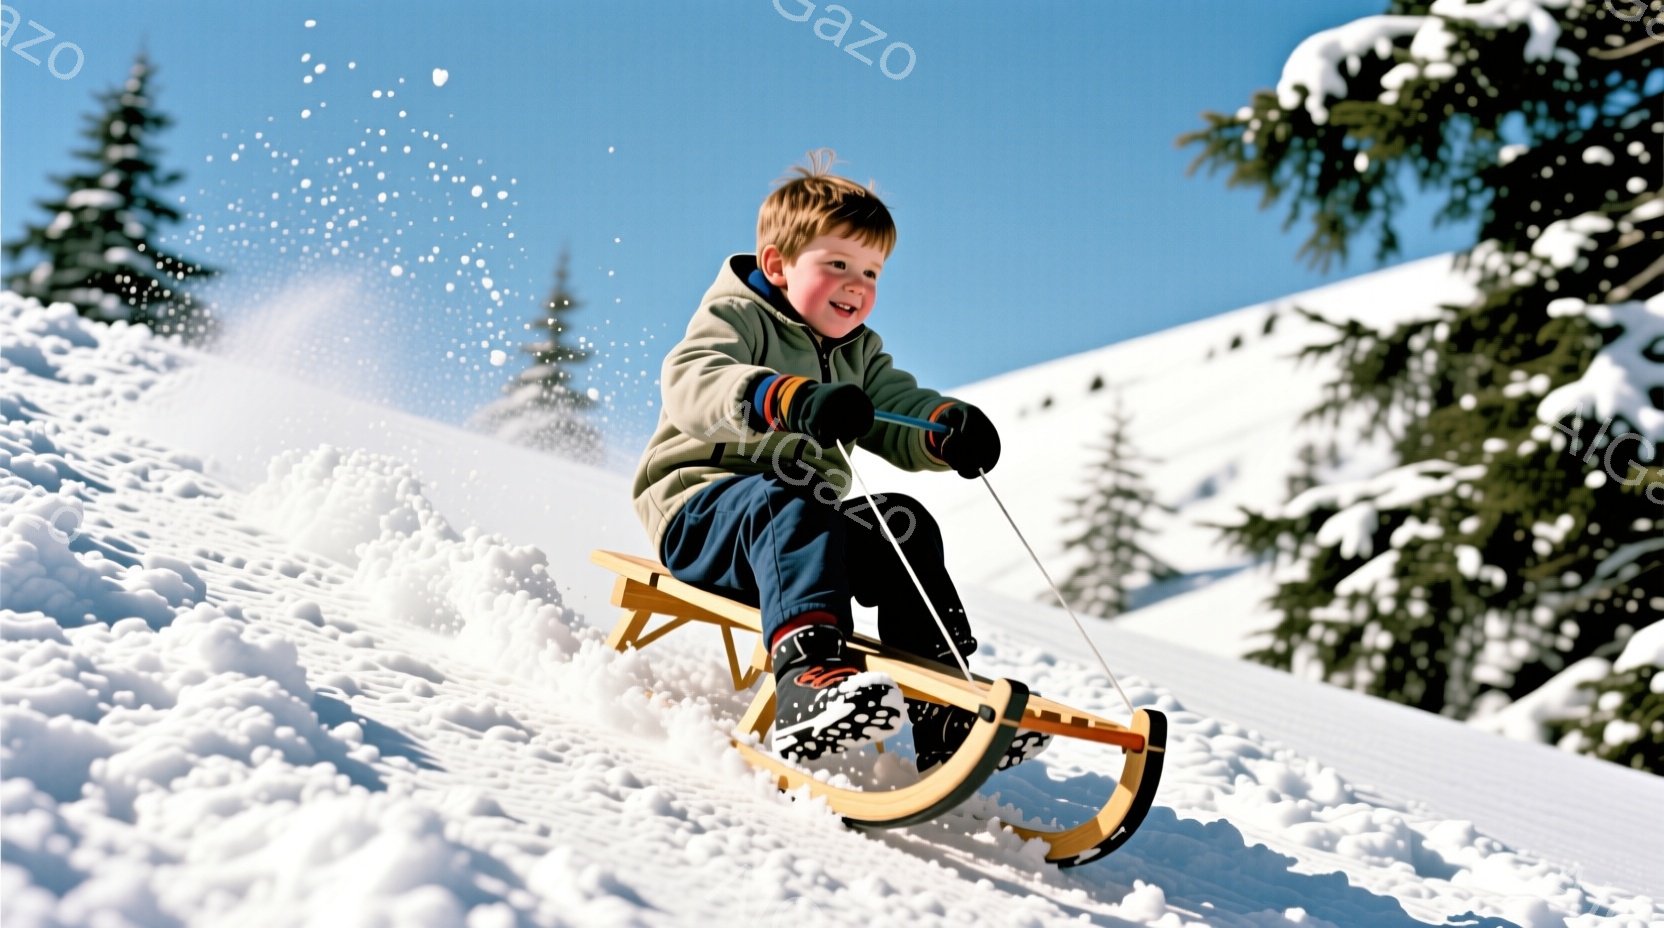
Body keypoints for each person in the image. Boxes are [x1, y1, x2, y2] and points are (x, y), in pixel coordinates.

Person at [632, 148, 1048, 771]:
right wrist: (782, 396)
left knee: (901, 523)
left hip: (806, 534)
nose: (858, 285)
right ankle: (809, 685)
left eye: (873, 273)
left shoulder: (859, 353)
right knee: (786, 498)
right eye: (837, 264)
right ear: (777, 265)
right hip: (704, 518)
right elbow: (694, 380)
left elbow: (899, 408)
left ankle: (943, 706)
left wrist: (942, 429)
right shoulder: (736, 317)